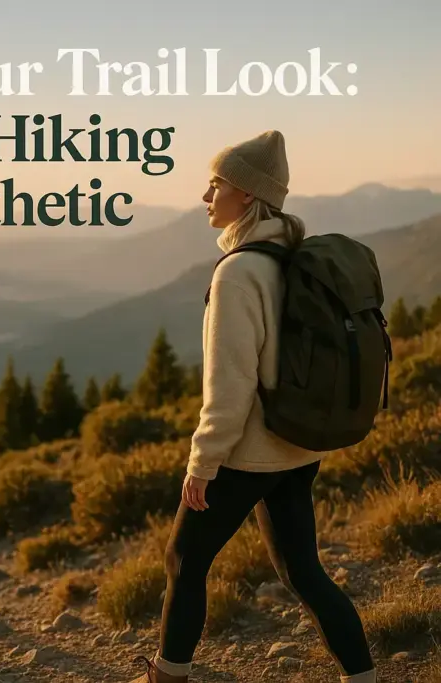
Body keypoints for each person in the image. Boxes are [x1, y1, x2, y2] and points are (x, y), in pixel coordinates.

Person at [130, 131, 377, 683]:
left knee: (184, 560)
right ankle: (363, 677)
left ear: (246, 195)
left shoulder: (239, 272)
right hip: (298, 444)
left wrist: (203, 462)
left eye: (216, 184)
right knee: (303, 573)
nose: (205, 196)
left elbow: (231, 384)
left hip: (249, 453)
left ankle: (167, 677)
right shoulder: (292, 252)